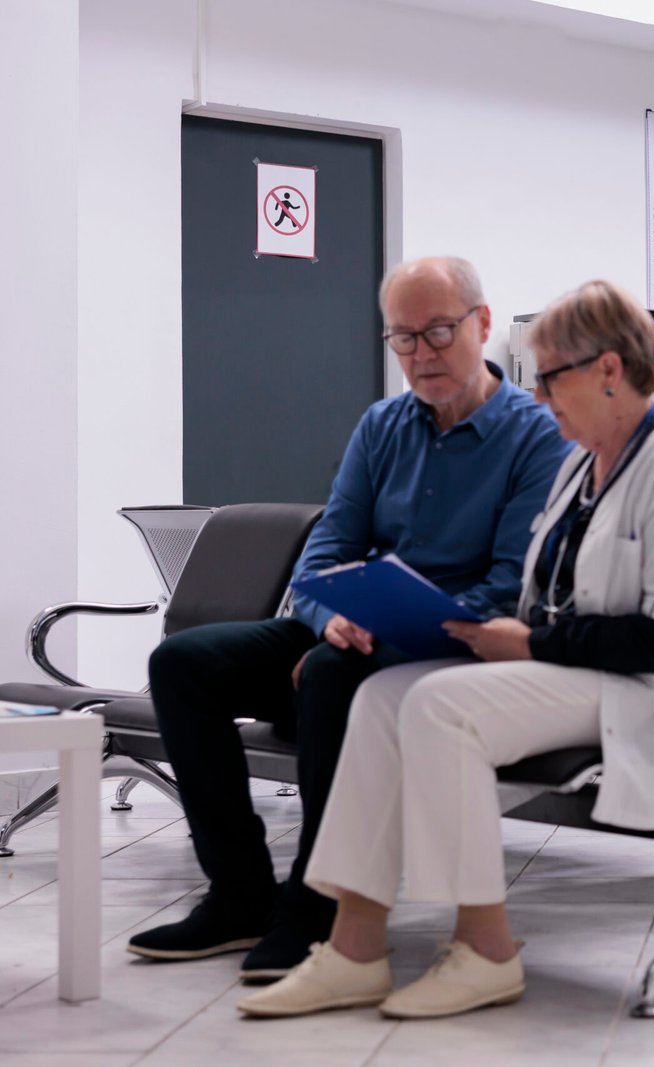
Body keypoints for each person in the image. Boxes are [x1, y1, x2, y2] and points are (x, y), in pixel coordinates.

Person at [236, 280, 654, 1020]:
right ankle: (352, 947)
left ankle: (485, 948)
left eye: (548, 377)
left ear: (608, 369)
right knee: (383, 694)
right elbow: (544, 589)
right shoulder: (583, 465)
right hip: (584, 669)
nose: (538, 397)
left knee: (442, 706)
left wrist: (533, 641)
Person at [127, 257, 571, 977]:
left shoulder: (537, 437)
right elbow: (325, 552)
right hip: (345, 632)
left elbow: (509, 586)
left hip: (450, 646)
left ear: (483, 324)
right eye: (403, 338)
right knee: (182, 664)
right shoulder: (382, 426)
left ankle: (318, 908)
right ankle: (240, 894)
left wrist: (374, 634)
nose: (421, 354)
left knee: (333, 674)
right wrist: (331, 615)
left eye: (437, 331)